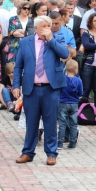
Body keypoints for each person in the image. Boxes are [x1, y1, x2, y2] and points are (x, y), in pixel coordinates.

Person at [13, 16, 69, 166]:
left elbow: (65, 54)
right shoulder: (25, 42)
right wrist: (16, 85)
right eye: (43, 26)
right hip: (32, 88)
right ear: (36, 28)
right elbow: (18, 66)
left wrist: (51, 39)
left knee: (50, 122)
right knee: (31, 122)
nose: (46, 29)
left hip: (50, 89)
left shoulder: (58, 38)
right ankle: (28, 152)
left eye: (48, 26)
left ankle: (51, 153)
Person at [57, 59, 83, 150]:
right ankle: (72, 143)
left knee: (62, 124)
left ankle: (59, 143)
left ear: (66, 69)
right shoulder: (78, 81)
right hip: (74, 104)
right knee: (73, 124)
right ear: (76, 70)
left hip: (63, 103)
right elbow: (80, 93)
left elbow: (59, 90)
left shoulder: (62, 79)